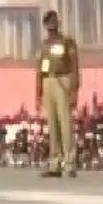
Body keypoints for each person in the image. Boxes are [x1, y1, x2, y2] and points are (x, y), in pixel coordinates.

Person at [35, 9, 79, 177]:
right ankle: (55, 163)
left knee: (65, 124)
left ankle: (69, 163)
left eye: (53, 21)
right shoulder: (44, 45)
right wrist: (37, 93)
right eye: (48, 22)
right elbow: (39, 70)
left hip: (63, 81)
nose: (51, 25)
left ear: (58, 23)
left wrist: (75, 90)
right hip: (48, 82)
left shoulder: (67, 42)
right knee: (52, 126)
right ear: (45, 25)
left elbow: (74, 67)